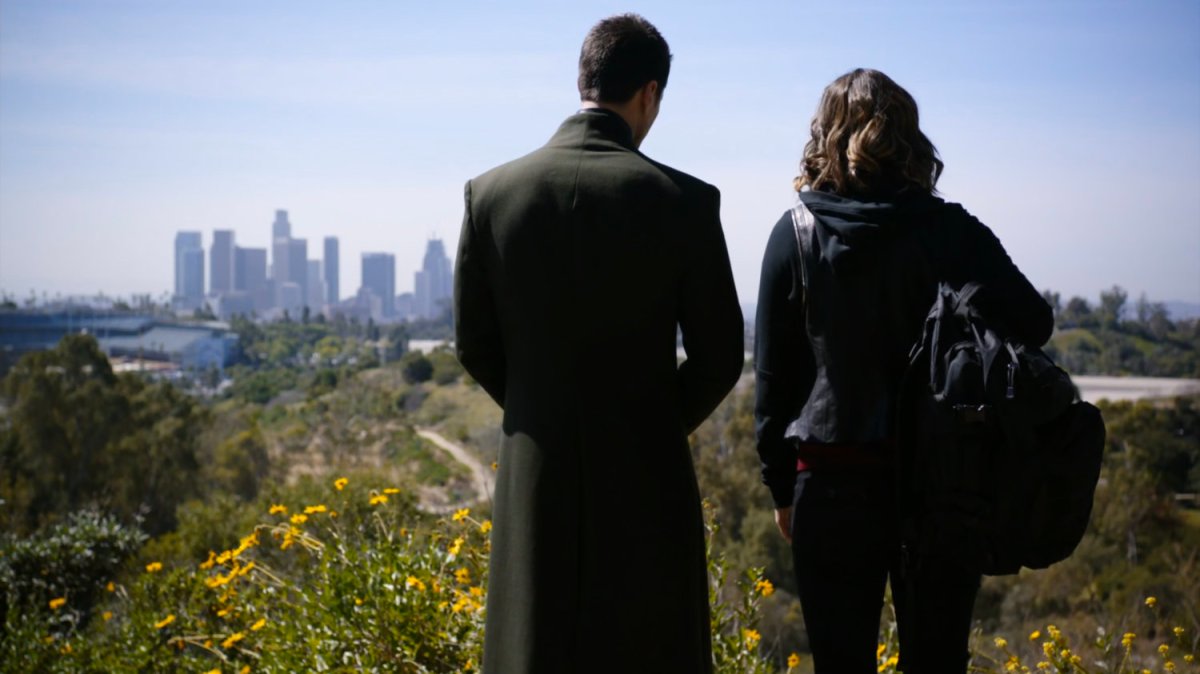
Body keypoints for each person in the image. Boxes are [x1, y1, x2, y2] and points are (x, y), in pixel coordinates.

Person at [455, 14, 744, 674]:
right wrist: (652, 419)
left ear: (582, 79)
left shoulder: (491, 196)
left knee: (536, 641)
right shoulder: (687, 203)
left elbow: (474, 343)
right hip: (648, 471)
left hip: (536, 473)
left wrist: (539, 408)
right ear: (649, 94)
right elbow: (721, 355)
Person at [754, 68, 1053, 673]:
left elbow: (773, 383)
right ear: (911, 140)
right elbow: (1034, 323)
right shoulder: (951, 230)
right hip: (942, 486)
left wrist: (782, 488)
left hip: (830, 480)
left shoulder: (795, 235)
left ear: (825, 136)